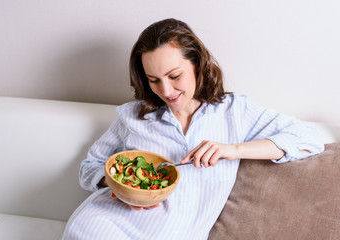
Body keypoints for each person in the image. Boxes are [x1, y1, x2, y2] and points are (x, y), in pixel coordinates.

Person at [62, 18, 324, 239]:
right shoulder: (133, 116)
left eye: (175, 76)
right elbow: (89, 168)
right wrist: (121, 186)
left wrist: (233, 150)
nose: (166, 91)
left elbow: (310, 139)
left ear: (198, 65)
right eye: (154, 80)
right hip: (102, 226)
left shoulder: (235, 112)